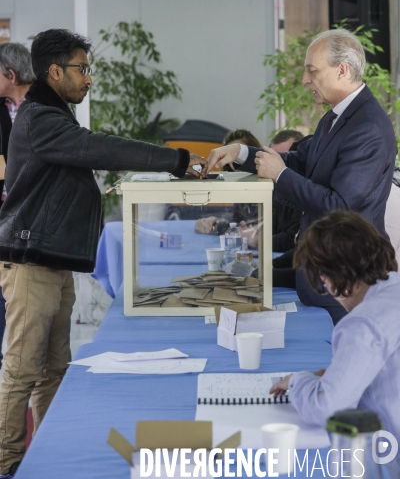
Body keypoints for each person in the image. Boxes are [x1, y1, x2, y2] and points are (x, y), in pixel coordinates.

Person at [0, 29, 206, 478]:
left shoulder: (54, 115)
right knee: (20, 370)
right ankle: (9, 463)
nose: (88, 79)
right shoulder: (40, 118)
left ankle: (49, 452)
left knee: (55, 367)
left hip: (52, 261)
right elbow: (101, 148)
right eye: (82, 69)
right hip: (31, 263)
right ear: (54, 72)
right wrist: (174, 160)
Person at [206, 29, 396, 323]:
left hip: (345, 281)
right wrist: (243, 153)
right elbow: (299, 162)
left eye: (312, 70)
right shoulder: (335, 116)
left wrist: (280, 175)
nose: (305, 79)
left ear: (342, 71)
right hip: (318, 274)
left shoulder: (367, 127)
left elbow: (340, 206)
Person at [269, 210, 400, 479]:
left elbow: (329, 409)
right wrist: (335, 375)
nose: (325, 287)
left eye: (323, 279)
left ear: (339, 273)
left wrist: (297, 382)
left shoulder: (363, 324)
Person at [0, 43, 34, 371]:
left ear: (10, 75)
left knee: (23, 316)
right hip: (4, 220)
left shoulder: (42, 109)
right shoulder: (3, 109)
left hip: (29, 225)